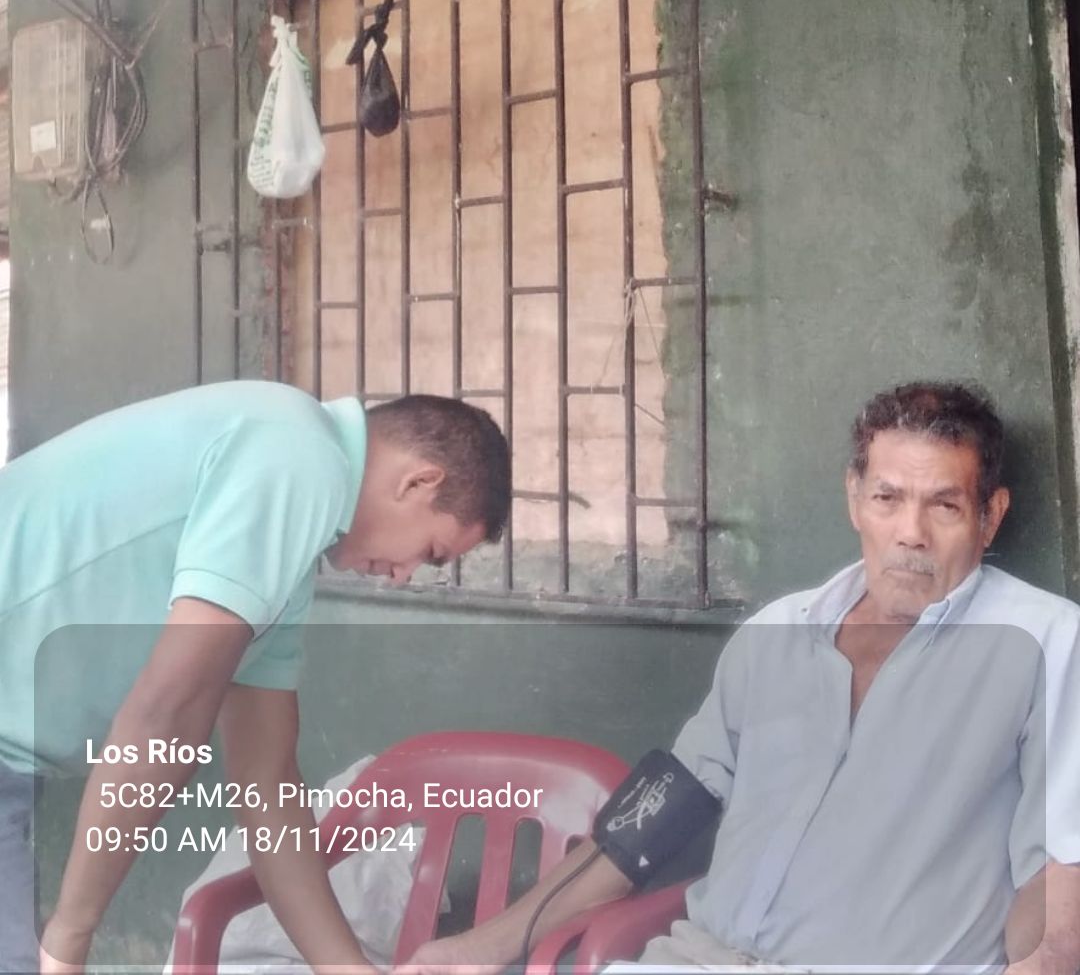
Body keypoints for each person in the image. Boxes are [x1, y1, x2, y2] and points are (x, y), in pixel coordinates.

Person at [404, 382, 1080, 974]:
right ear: (854, 499)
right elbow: (651, 824)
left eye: (945, 506)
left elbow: (1060, 872)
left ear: (990, 516)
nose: (910, 532)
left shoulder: (1047, 644)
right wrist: (479, 949)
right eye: (887, 497)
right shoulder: (776, 633)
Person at [0, 379, 509, 975]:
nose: (403, 575)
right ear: (418, 482)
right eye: (431, 551)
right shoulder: (297, 457)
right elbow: (169, 711)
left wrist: (347, 969)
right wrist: (70, 935)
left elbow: (267, 783)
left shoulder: (287, 553)